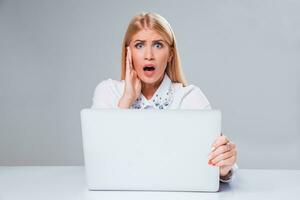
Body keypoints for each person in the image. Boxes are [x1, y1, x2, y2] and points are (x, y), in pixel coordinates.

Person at [91, 12, 238, 182]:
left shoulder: (189, 97)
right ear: (128, 53)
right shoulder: (108, 92)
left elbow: (219, 163)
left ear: (170, 54)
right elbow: (100, 157)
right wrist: (127, 100)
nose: (149, 55)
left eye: (158, 45)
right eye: (139, 45)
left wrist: (225, 166)